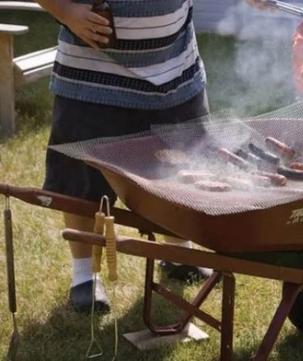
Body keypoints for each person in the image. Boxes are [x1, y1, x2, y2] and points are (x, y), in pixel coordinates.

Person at [36, 0, 269, 313]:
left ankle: (178, 254)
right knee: (83, 182)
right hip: (92, 78)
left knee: (185, 170)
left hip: (174, 73)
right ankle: (85, 277)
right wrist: (66, 12)